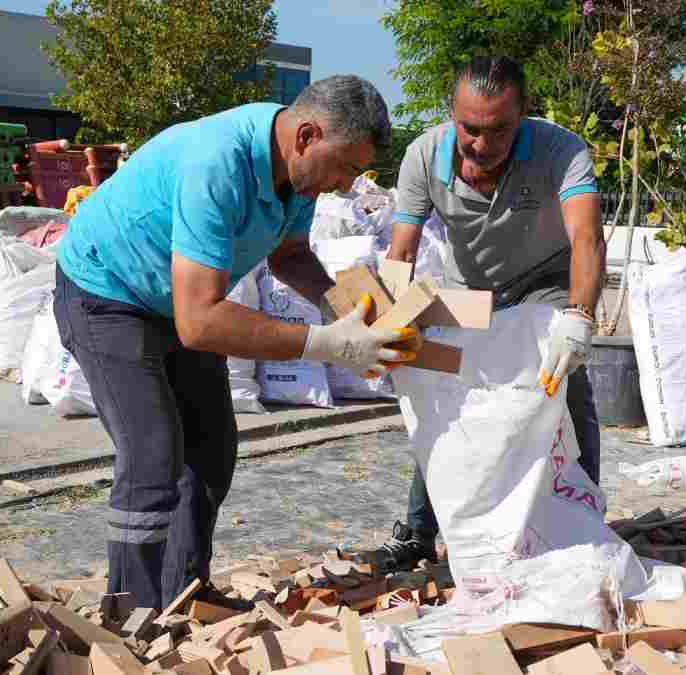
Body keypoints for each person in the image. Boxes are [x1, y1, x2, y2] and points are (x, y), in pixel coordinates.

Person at [54, 75, 421, 614]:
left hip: (175, 301)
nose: (345, 185)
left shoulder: (297, 175)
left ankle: (183, 597)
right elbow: (200, 323)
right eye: (345, 167)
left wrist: (343, 311)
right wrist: (327, 343)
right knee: (153, 454)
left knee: (211, 448)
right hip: (107, 293)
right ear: (307, 137)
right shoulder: (218, 163)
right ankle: (130, 616)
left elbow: (290, 255)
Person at [362, 56, 605, 571]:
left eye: (499, 130)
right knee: (447, 405)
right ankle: (419, 532)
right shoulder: (423, 154)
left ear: (523, 114)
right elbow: (401, 250)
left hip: (543, 286)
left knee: (561, 386)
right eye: (469, 128)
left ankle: (583, 523)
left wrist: (580, 317)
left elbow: (586, 238)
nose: (481, 143)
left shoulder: (561, 150)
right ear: (451, 113)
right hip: (467, 293)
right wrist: (390, 321)